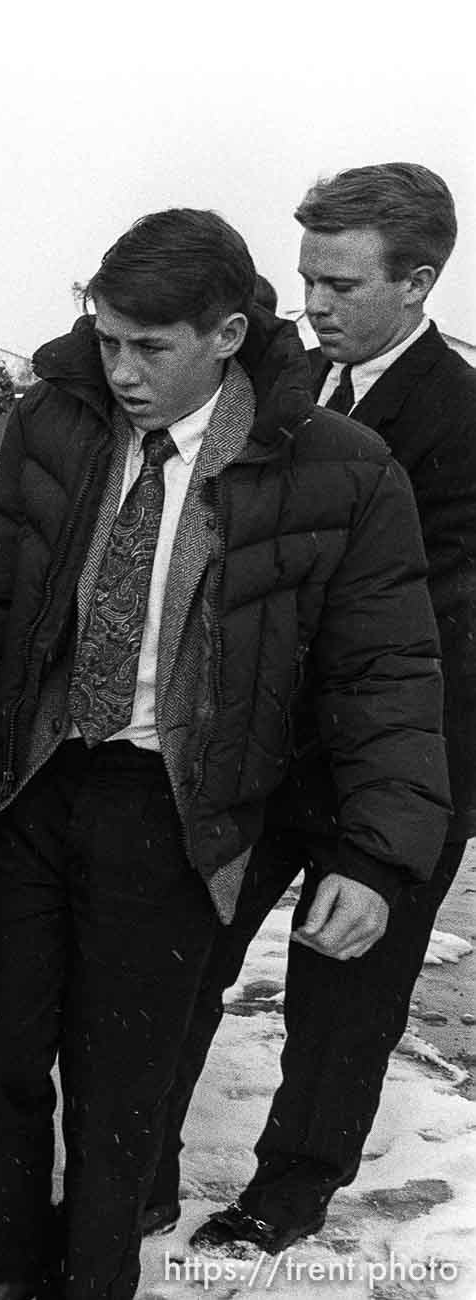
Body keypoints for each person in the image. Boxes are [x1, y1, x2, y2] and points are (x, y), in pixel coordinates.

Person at [0, 208, 448, 1300]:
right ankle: (18, 1263)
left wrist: (380, 852)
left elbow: (388, 672)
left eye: (149, 348)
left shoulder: (335, 469)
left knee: (123, 1082)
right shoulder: (56, 423)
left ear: (224, 333)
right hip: (40, 781)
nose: (119, 370)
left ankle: (95, 1277)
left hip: (170, 802)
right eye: (106, 338)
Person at [147, 163, 476, 1256]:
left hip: (390, 767)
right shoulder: (284, 382)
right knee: (188, 959)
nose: (316, 304)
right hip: (260, 757)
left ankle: (286, 1196)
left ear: (419, 282)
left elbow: (440, 643)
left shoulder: (462, 424)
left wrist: (383, 852)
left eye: (340, 282)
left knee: (345, 1003)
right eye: (305, 279)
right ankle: (138, 1172)